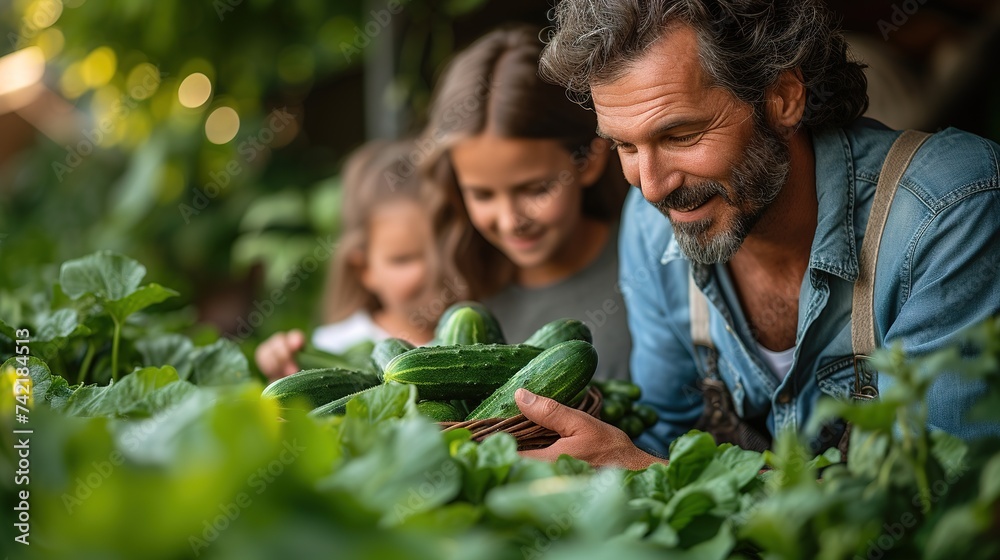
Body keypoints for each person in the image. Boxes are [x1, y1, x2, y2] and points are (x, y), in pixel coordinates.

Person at [509, 0, 1000, 468]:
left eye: (681, 136)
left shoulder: (949, 212)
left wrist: (638, 469)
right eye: (624, 146)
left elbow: (932, 496)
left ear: (783, 97)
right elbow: (664, 434)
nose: (652, 187)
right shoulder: (648, 226)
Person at [420, 25, 632, 381]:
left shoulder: (648, 267)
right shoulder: (459, 283)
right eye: (482, 194)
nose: (509, 220)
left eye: (535, 189)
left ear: (589, 161)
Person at [255, 140, 442, 380]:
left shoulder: (486, 335)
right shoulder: (335, 345)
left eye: (445, 252)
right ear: (364, 269)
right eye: (404, 259)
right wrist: (282, 368)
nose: (434, 270)